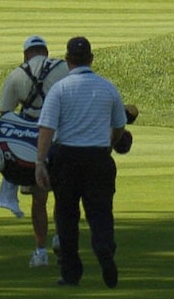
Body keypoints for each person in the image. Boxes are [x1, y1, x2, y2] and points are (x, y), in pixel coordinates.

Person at [34, 36, 128, 289]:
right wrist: (109, 142)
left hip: (67, 158)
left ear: (68, 61)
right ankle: (104, 247)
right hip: (98, 157)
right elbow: (120, 125)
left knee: (66, 216)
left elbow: (46, 129)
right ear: (91, 59)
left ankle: (71, 273)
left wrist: (40, 162)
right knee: (100, 212)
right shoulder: (107, 87)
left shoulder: (60, 89)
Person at [0, 35, 69, 264]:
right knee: (63, 194)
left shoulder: (17, 75)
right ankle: (61, 237)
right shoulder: (63, 68)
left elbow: (5, 117)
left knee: (39, 199)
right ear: (46, 52)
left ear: (26, 54)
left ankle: (41, 252)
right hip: (62, 139)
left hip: (32, 144)